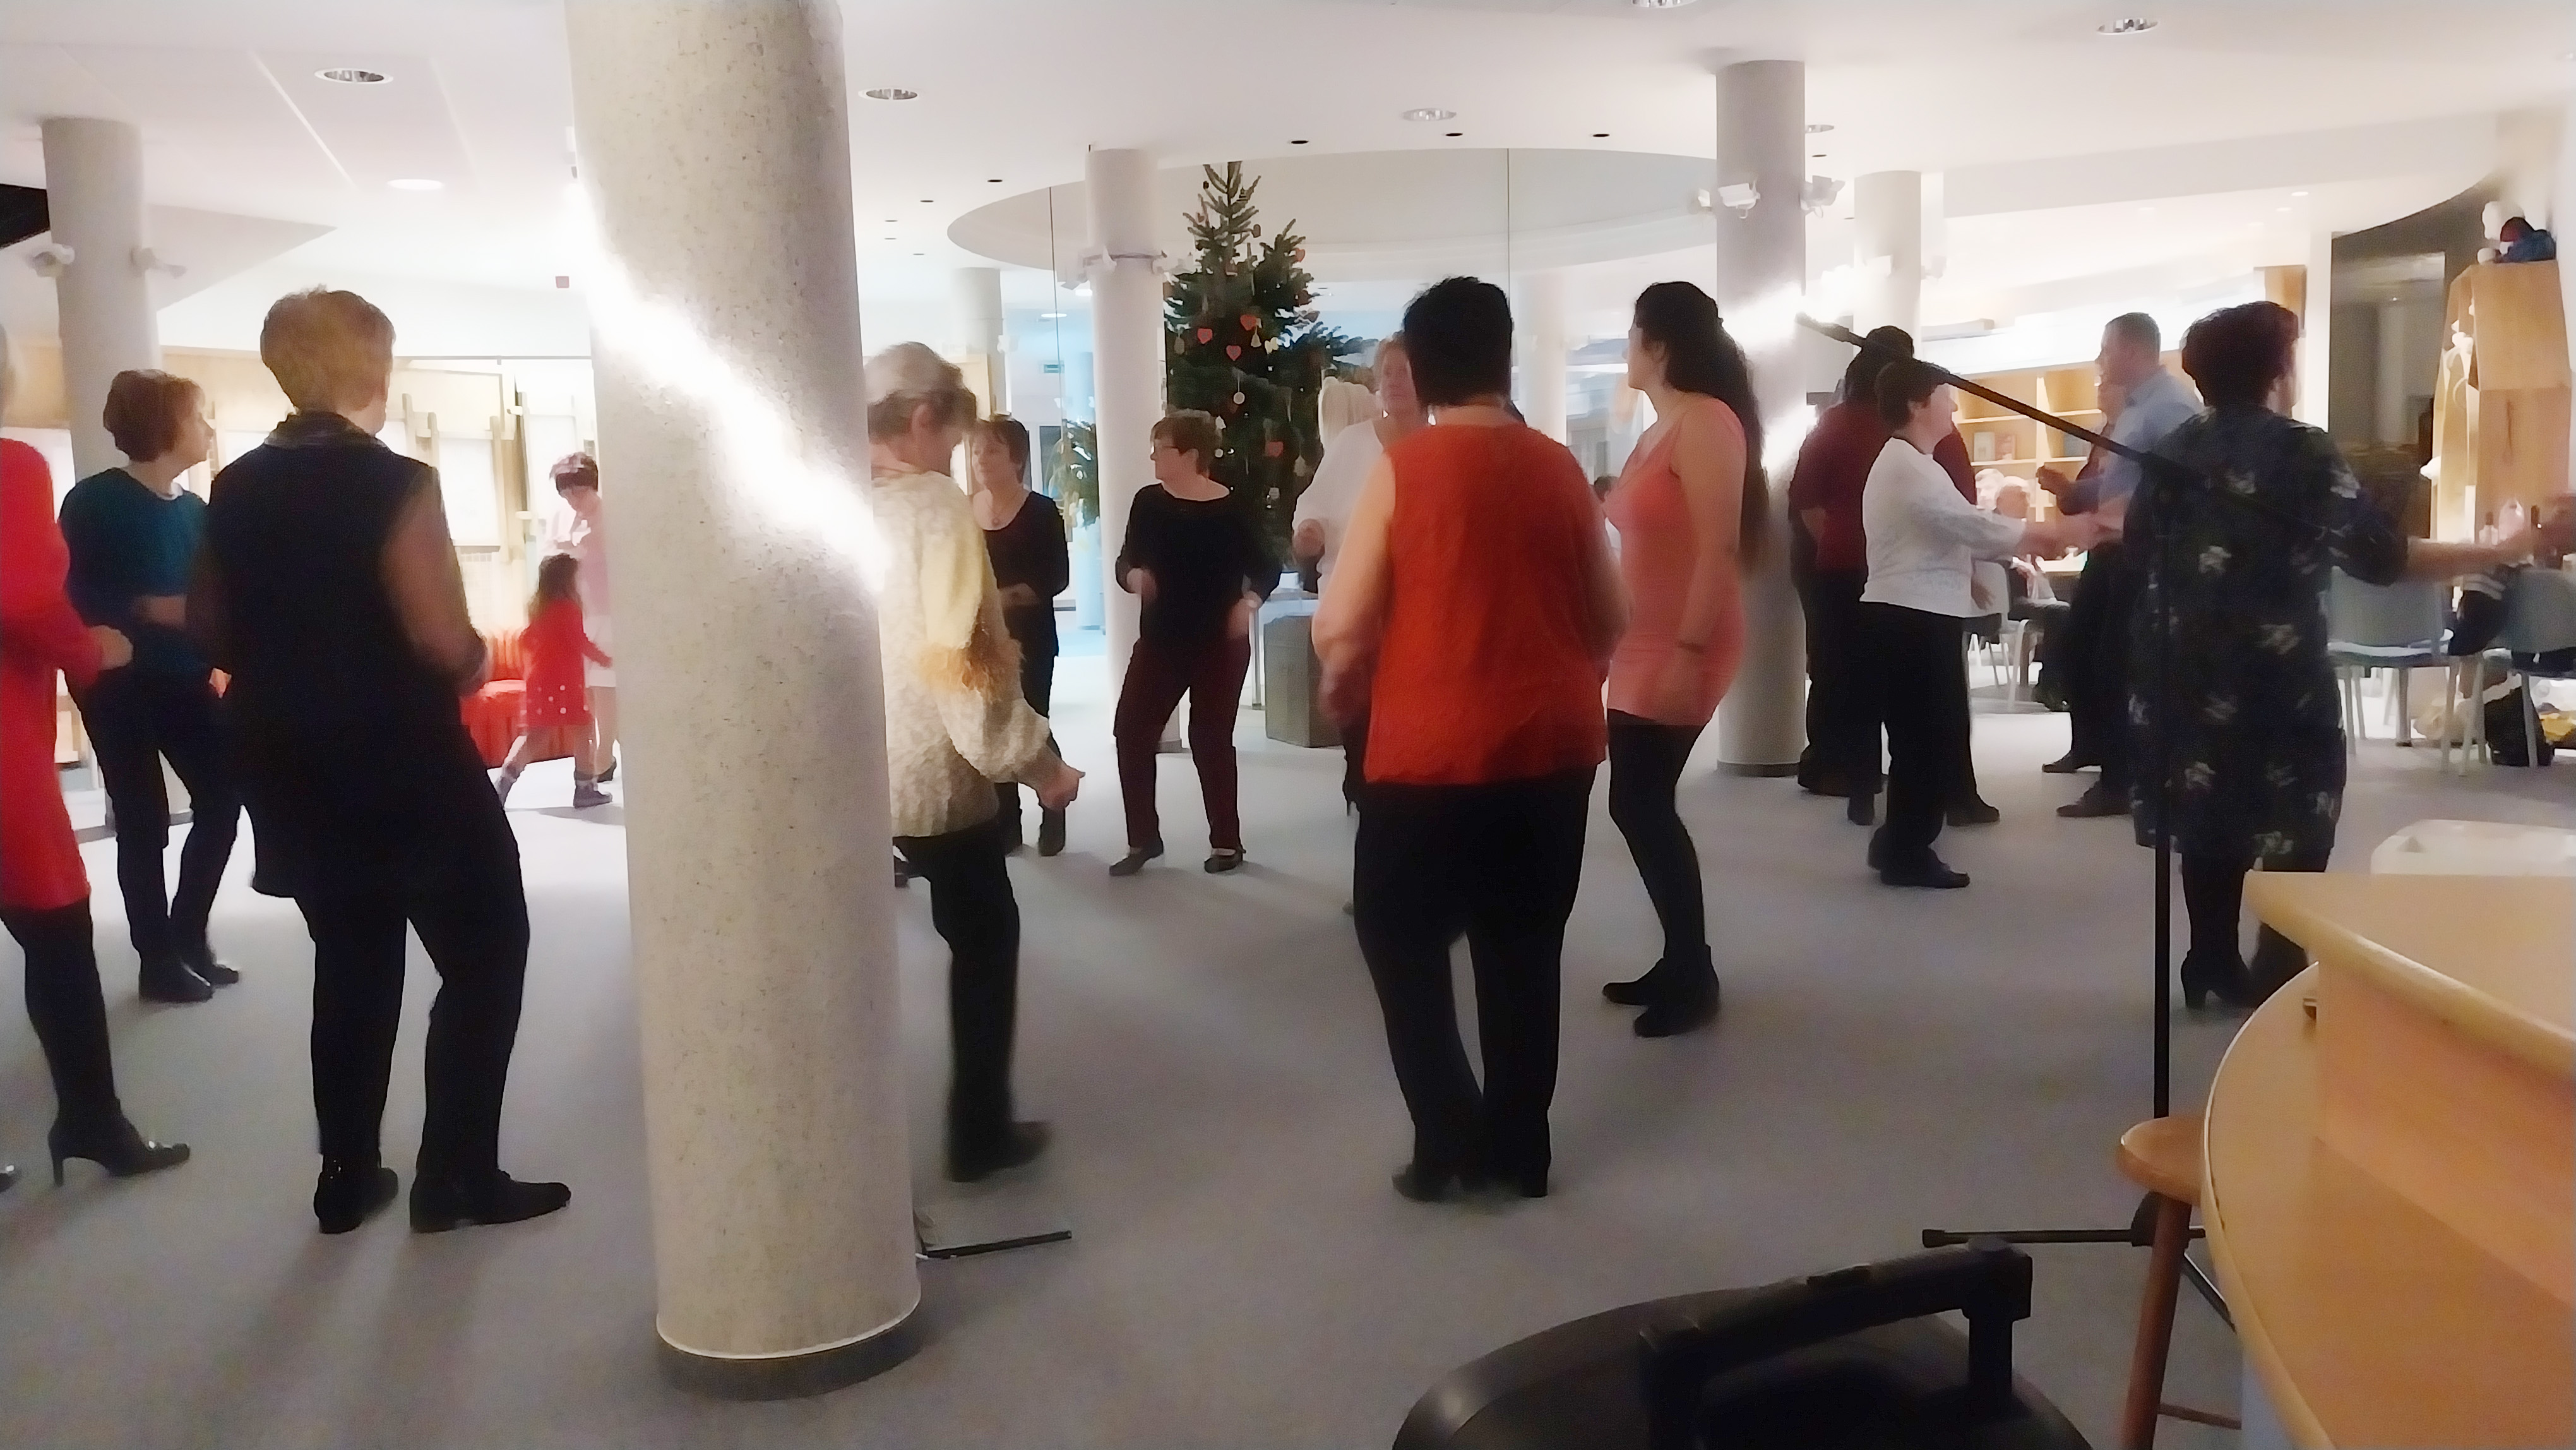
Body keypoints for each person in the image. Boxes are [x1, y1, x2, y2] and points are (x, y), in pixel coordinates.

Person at [193, 287, 567, 1234]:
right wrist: (477, 660)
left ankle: (347, 1177)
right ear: (374, 368)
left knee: (352, 958)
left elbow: (211, 630)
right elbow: (442, 640)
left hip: (283, 754)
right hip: (399, 754)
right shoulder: (397, 482)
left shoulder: (235, 485)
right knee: (487, 951)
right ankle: (455, 1177)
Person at [2123, 301, 2549, 1006]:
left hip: (2180, 659)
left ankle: (2210, 957)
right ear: (2276, 370)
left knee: (2208, 798)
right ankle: (2278, 960)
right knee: (2300, 804)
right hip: (2273, 665)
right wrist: (2497, 550)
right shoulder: (2301, 450)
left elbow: (2139, 547)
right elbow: (2381, 557)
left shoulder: (2172, 449)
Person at [1314, 277, 1626, 1202]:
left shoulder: (1405, 471)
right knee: (1524, 946)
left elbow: (1342, 622)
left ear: (1421, 366)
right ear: (1505, 357)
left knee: (1396, 932)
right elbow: (1611, 617)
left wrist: (1343, 666)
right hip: (1553, 746)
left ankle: (1448, 1132)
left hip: (1431, 748)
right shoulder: (1559, 469)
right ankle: (1521, 1150)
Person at [866, 343, 1084, 1181]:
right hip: (933, 772)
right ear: (923, 419)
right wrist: (1035, 763)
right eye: (952, 440)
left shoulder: (842, 502)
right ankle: (979, 1133)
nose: (955, 457)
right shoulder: (936, 509)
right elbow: (966, 658)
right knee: (987, 936)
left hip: (861, 766)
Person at [0, 328, 191, 1193]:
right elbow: (26, 598)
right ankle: (90, 1119)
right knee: (58, 929)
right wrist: (93, 649)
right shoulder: (13, 468)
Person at [1861, 361, 2101, 889]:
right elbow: (1968, 524)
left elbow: (1963, 531)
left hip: (1918, 612)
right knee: (1925, 737)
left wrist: (2039, 537)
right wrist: (2051, 532)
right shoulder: (1907, 466)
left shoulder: (1915, 463)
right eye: (1944, 396)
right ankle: (1906, 851)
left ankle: (1899, 841)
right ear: (1917, 405)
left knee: (1925, 735)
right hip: (1911, 615)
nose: (1953, 405)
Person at [1594, 282, 1758, 1038]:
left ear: (1656, 345)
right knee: (1638, 802)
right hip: (1642, 640)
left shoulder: (1706, 421)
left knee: (1641, 802)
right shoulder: (1659, 429)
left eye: (1632, 335)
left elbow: (1719, 547)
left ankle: (1693, 969)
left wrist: (1689, 652)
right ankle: (1683, 958)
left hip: (1685, 639)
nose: (1626, 349)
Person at [57, 369, 243, 1004]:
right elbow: (70, 597)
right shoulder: (93, 502)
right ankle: (156, 961)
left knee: (223, 800)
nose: (208, 429)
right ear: (165, 425)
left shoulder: (196, 511)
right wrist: (147, 607)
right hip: (118, 685)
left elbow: (213, 595)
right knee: (144, 820)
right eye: (199, 416)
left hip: (184, 677)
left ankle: (187, 935)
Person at [1785, 328, 1988, 827]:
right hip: (1916, 578)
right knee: (1936, 689)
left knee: (1849, 680)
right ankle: (1955, 794)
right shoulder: (1931, 431)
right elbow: (1962, 507)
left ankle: (1857, 784)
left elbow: (1807, 501)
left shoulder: (1834, 424)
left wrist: (1850, 542)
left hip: (1843, 569)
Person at [1109, 410, 1275, 877]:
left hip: (1218, 645)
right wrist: (1133, 577)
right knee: (1131, 731)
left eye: (1161, 449)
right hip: (1161, 641)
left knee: (1210, 738)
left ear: (1190, 455)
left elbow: (1266, 567)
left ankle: (1227, 842)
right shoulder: (1148, 503)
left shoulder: (1232, 509)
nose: (1152, 457)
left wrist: (1249, 603)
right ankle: (1143, 838)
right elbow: (1126, 560)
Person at [2044, 314, 2197, 818]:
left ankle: (2121, 780)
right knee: (2081, 648)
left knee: (2116, 661)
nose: (2101, 359)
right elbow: (2123, 480)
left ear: (2132, 351)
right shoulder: (2133, 410)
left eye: (2107, 349)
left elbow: (2181, 486)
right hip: (2112, 549)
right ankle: (2094, 750)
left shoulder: (2171, 407)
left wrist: (2120, 516)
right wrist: (2078, 493)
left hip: (2143, 552)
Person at [1295, 335, 1426, 808]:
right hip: (1356, 603)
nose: (1394, 382)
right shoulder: (1353, 443)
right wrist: (1309, 530)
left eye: (1405, 371)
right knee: (1360, 714)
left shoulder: (1439, 445)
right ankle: (1363, 781)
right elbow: (1314, 506)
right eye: (1387, 372)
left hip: (1419, 607)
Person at [972, 415, 1071, 855]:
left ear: (1016, 459)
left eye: (992, 451)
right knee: (992, 725)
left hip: (1031, 638)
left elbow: (1056, 576)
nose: (981, 460)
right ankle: (1006, 823)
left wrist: (1004, 598)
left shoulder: (1041, 511)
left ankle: (1054, 802)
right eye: (977, 451)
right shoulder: (966, 510)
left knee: (1030, 723)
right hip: (982, 640)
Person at [491, 554, 611, 809]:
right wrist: (606, 660)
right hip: (565, 682)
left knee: (535, 734)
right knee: (584, 729)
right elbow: (579, 642)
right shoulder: (568, 608)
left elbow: (526, 639)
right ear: (567, 580)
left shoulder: (538, 608)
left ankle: (503, 783)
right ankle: (585, 789)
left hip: (539, 680)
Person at [544, 453, 617, 787]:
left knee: (605, 684)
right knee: (586, 685)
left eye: (580, 491)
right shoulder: (561, 518)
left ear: (593, 486)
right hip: (576, 608)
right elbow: (549, 559)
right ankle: (608, 753)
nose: (574, 499)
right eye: (567, 493)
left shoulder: (611, 514)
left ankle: (604, 755)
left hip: (609, 609)